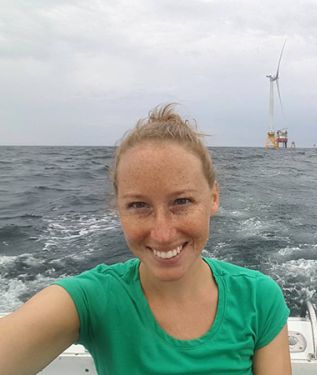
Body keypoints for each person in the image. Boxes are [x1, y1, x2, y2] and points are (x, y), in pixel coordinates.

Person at [0, 103, 292, 374]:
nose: (162, 234)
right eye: (139, 205)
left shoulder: (259, 299)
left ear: (213, 198)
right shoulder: (93, 299)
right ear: (118, 208)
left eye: (182, 201)